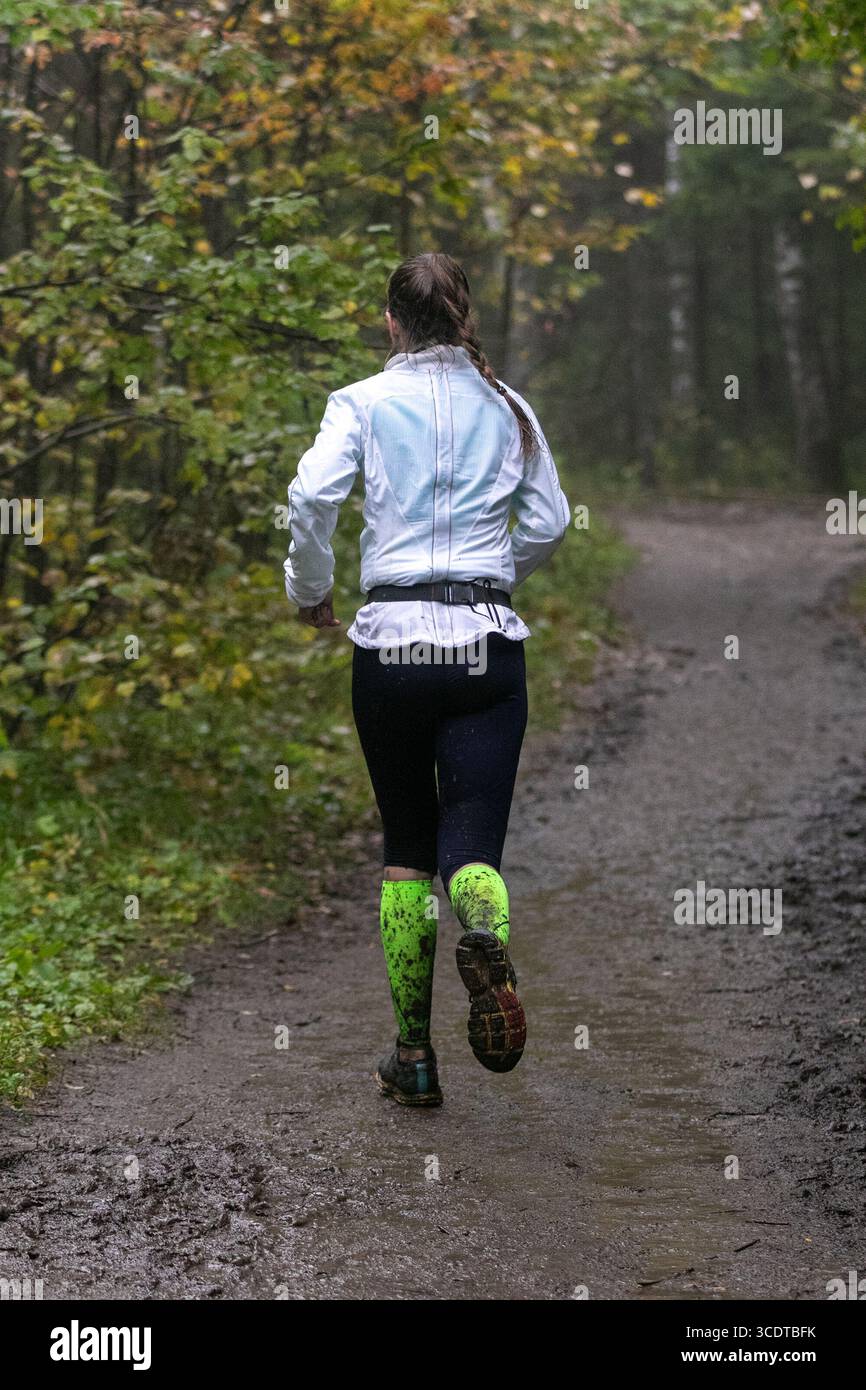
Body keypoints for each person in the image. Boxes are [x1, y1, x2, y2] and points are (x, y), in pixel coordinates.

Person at [284, 252, 569, 1106]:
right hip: (485, 644)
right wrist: (493, 578)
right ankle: (485, 931)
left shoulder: (362, 402)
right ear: (465, 318)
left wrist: (310, 589)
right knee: (472, 848)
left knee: (407, 849)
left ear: (391, 322)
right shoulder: (508, 405)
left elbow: (312, 497)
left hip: (394, 646)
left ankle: (413, 1057)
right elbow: (551, 521)